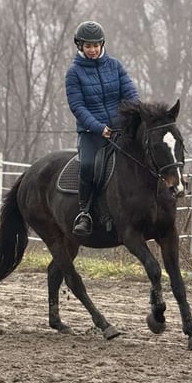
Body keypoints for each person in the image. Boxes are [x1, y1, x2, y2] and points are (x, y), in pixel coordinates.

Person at [65, 20, 139, 237]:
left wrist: (133, 115)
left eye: (96, 45)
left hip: (120, 129)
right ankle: (85, 213)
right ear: (80, 46)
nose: (93, 49)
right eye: (88, 46)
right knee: (88, 165)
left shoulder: (115, 65)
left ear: (102, 44)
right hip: (92, 132)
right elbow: (77, 106)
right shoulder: (74, 73)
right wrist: (99, 128)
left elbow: (130, 93)